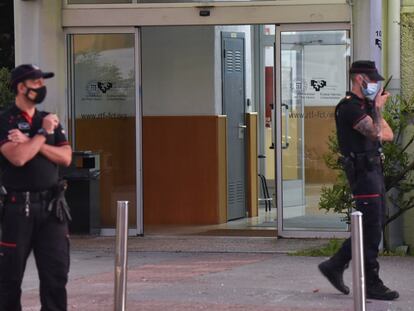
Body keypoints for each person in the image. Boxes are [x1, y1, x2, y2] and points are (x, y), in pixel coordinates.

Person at [318, 60, 399, 301]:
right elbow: (376, 133)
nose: (375, 84)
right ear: (359, 79)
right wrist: (376, 108)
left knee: (370, 226)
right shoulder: (350, 108)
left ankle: (334, 265)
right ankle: (370, 282)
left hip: (374, 171)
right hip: (363, 174)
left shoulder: (364, 106)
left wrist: (374, 109)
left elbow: (389, 135)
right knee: (371, 229)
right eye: (372, 79)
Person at [0, 64, 72, 311]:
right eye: (36, 83)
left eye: (43, 82)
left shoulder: (48, 118)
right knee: (9, 280)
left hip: (52, 208)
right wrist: (43, 134)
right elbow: (17, 157)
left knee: (55, 276)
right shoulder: (5, 120)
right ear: (21, 87)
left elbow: (66, 157)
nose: (42, 88)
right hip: (18, 208)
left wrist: (33, 142)